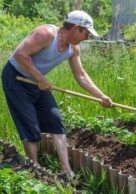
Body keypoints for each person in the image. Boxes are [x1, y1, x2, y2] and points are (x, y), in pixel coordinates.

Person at [1, 10, 113, 178]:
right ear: (76, 28)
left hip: (38, 81)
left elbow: (80, 75)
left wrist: (100, 95)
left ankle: (66, 171)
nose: (87, 38)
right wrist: (40, 77)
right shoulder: (46, 34)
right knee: (30, 126)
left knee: (55, 120)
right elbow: (20, 55)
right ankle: (35, 170)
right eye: (86, 33)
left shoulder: (73, 48)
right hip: (16, 79)